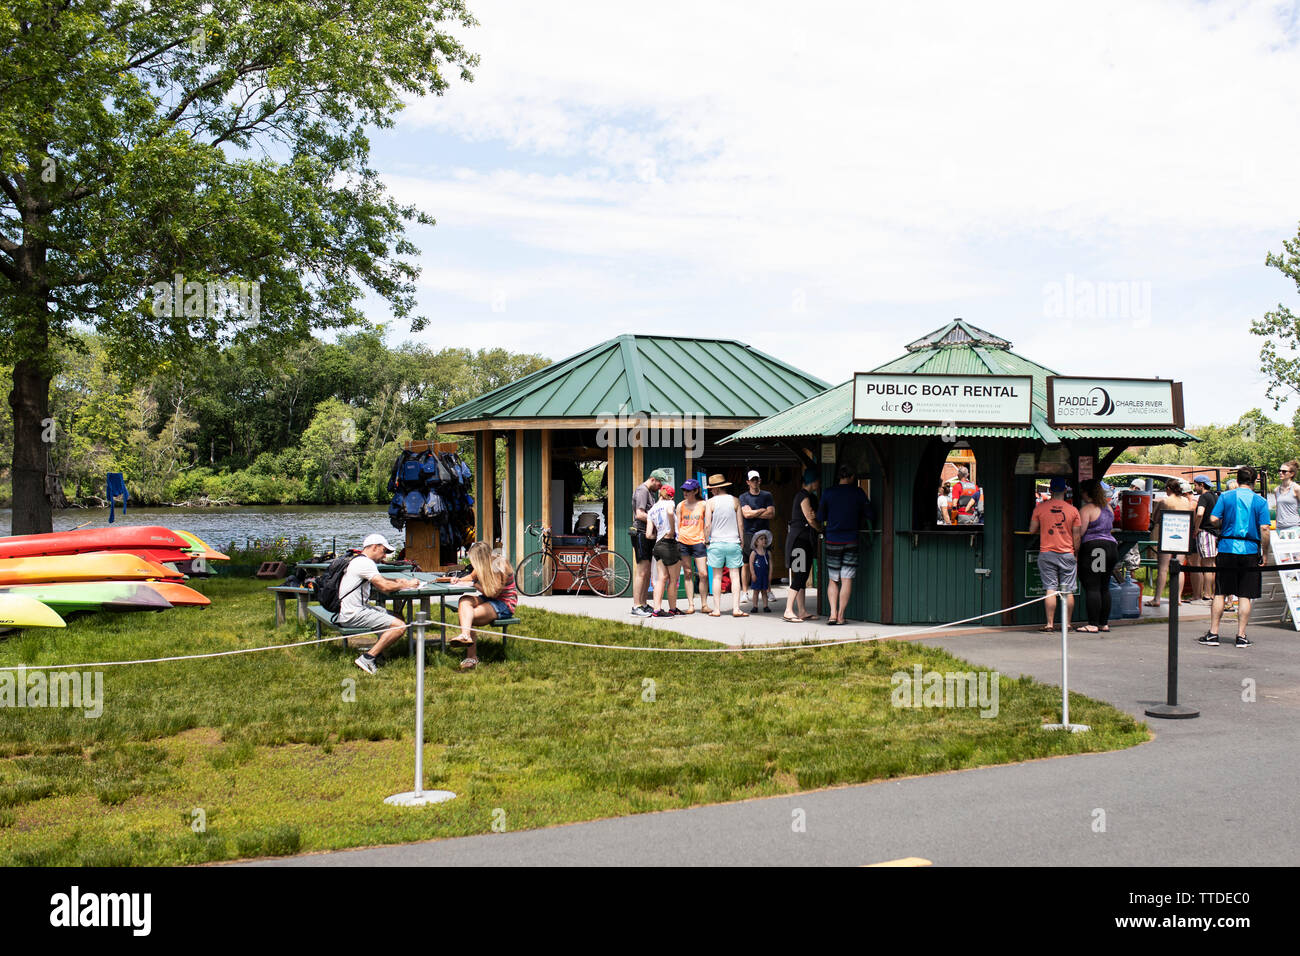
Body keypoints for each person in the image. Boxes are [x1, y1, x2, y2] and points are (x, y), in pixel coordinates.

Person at [1199, 466, 1271, 647]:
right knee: (1245, 595)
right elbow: (1264, 529)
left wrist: (1224, 524)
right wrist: (1265, 553)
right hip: (1250, 550)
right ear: (1255, 481)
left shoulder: (1225, 496)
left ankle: (1213, 633)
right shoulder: (1260, 501)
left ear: (1237, 480)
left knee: (1220, 592)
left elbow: (1213, 519)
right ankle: (1241, 636)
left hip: (1227, 547)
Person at [346, 534, 422, 674]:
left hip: (353, 609)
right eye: (384, 551)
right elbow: (384, 587)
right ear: (375, 547)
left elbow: (380, 580)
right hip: (353, 614)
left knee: (397, 616)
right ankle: (368, 658)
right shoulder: (365, 563)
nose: (385, 556)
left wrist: (398, 581)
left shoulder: (359, 560)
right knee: (399, 626)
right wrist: (407, 584)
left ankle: (379, 653)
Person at [816, 464, 873, 625]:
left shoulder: (828, 493)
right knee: (846, 578)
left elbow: (820, 517)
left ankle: (832, 614)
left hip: (832, 540)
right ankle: (841, 616)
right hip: (851, 540)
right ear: (852, 477)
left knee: (833, 579)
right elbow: (870, 513)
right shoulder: (858, 492)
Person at [447, 541, 518, 670]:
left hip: (504, 602)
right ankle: (465, 636)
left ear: (479, 558)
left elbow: (493, 593)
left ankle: (471, 656)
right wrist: (458, 580)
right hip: (488, 597)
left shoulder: (500, 565)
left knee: (469, 616)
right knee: (464, 600)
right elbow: (471, 577)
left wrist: (474, 585)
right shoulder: (483, 564)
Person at [1029, 476, 1081, 632]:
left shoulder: (1040, 508)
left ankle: (1050, 624)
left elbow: (1032, 530)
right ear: (1065, 490)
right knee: (1068, 590)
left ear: (1050, 490)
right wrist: (1076, 552)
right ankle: (1067, 623)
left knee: (1050, 588)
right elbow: (1077, 536)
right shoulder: (1073, 510)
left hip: (1047, 552)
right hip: (1067, 553)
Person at [1076, 479, 1117, 633]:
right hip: (1111, 547)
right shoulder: (1108, 508)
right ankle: (1103, 623)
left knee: (1092, 586)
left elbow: (1080, 532)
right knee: (1104, 586)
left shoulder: (1087, 509)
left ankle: (1092, 623)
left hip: (1095, 549)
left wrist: (1075, 550)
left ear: (1087, 493)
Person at [704, 473, 747, 617]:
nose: (711, 491)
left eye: (711, 489)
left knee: (717, 577)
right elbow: (740, 524)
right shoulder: (735, 501)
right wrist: (742, 540)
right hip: (733, 542)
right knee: (735, 576)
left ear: (716, 489)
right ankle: (736, 608)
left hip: (716, 542)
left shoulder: (710, 502)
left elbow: (707, 525)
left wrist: (706, 540)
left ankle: (717, 609)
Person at [1146, 478, 1194, 607]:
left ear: (1168, 488)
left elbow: (1155, 518)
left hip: (1167, 535)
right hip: (1183, 535)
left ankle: (1157, 599)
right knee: (1179, 568)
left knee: (1163, 568)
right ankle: (1178, 598)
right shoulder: (1186, 501)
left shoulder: (1164, 501)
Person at [785, 468, 822, 622]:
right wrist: (821, 528)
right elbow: (810, 518)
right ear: (812, 481)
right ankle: (788, 610)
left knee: (803, 575)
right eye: (817, 480)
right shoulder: (803, 496)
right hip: (799, 542)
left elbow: (813, 516)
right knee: (800, 575)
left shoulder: (809, 497)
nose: (819, 483)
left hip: (803, 541)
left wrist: (815, 516)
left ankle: (802, 611)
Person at [629, 469, 666, 617]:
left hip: (648, 535)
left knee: (647, 572)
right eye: (659, 483)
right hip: (640, 533)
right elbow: (639, 514)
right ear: (652, 479)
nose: (660, 487)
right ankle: (636, 606)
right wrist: (657, 521)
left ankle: (643, 604)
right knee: (642, 571)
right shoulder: (642, 491)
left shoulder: (650, 493)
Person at [738, 470, 776, 600]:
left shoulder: (767, 495)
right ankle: (745, 593)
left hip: (764, 533)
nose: (755, 482)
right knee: (746, 564)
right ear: (748, 482)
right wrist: (761, 510)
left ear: (760, 480)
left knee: (766, 561)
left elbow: (771, 514)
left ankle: (768, 591)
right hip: (749, 533)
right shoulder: (743, 497)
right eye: (752, 480)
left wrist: (753, 512)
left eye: (756, 479)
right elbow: (746, 514)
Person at [675, 478, 708, 614]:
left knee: (703, 573)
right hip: (683, 541)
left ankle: (704, 604)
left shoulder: (703, 504)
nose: (685, 492)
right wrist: (677, 540)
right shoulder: (680, 505)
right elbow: (677, 525)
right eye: (684, 490)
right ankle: (691, 605)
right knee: (688, 572)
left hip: (699, 541)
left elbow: (708, 522)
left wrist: (706, 538)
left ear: (695, 491)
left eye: (688, 490)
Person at [647, 484, 681, 617]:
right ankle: (673, 608)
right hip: (670, 543)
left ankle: (656, 609)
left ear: (660, 494)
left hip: (658, 545)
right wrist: (671, 530)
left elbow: (648, 534)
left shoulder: (651, 510)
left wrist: (659, 537)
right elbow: (670, 513)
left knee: (661, 578)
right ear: (671, 496)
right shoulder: (670, 503)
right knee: (673, 579)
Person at [1191, 475, 1219, 601]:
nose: (1194, 488)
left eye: (1195, 485)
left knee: (1207, 564)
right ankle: (1214, 592)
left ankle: (1207, 593)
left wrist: (1196, 528)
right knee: (1213, 564)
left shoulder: (1203, 497)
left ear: (1202, 485)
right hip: (1216, 532)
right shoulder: (1215, 496)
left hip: (1206, 532)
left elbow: (1200, 513)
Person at [748, 529, 773, 612]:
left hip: (765, 575)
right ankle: (755, 606)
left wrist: (770, 574)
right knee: (756, 592)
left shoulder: (767, 553)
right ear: (756, 542)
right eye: (761, 539)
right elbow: (751, 564)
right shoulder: (754, 553)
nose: (764, 540)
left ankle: (766, 606)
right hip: (757, 575)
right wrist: (753, 574)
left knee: (764, 591)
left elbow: (770, 564)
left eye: (765, 538)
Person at [1275, 460, 1300, 531]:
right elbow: (1278, 509)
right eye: (1279, 471)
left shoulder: (1296, 488)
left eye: (1284, 471)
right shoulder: (1276, 490)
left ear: (1291, 474)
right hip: (1279, 527)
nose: (1280, 473)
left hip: (1294, 527)